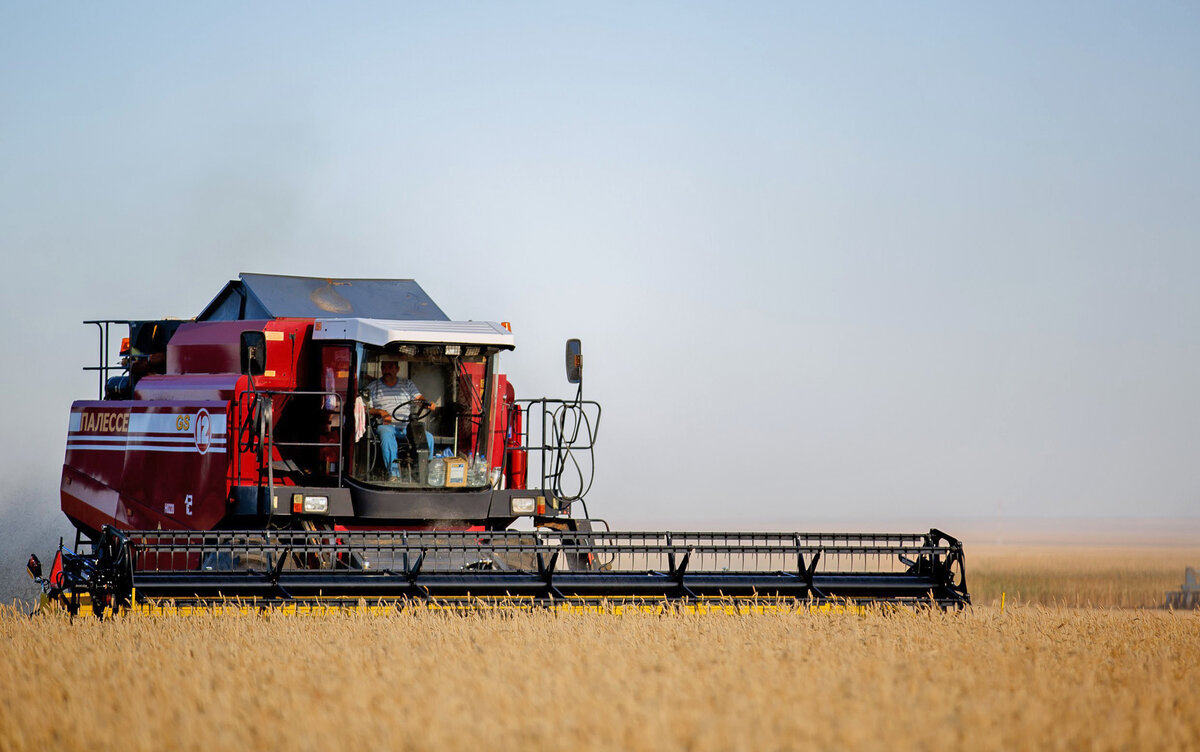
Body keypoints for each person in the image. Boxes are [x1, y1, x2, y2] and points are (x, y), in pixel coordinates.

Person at [368, 357, 435, 479]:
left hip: (405, 426)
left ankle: (424, 473)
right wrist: (380, 411)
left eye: (390, 367)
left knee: (428, 438)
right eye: (383, 367)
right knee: (386, 435)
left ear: (397, 369)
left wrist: (427, 403)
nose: (386, 370)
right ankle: (394, 474)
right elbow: (365, 408)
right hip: (387, 425)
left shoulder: (407, 384)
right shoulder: (373, 387)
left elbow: (418, 398)